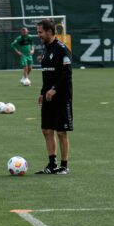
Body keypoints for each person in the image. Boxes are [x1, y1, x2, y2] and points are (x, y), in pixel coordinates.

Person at [36, 18, 72, 175]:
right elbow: (47, 75)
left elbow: (67, 73)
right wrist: (42, 93)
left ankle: (64, 166)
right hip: (48, 96)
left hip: (61, 96)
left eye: (40, 32)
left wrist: (54, 89)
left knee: (61, 132)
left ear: (49, 31)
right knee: (46, 130)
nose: (38, 35)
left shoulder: (62, 49)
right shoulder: (46, 49)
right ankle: (52, 164)